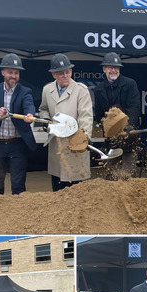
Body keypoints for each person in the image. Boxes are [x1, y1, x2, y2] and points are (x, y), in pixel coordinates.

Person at [38, 53, 93, 191]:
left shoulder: (81, 90)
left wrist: (84, 138)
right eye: (61, 73)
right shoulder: (47, 90)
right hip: (57, 144)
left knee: (76, 190)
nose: (65, 75)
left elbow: (86, 116)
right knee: (58, 188)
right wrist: (45, 120)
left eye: (68, 72)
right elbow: (43, 109)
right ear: (54, 75)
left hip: (75, 144)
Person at [0, 53, 37, 195]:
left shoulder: (25, 91)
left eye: (16, 73)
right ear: (3, 72)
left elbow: (29, 105)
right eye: (10, 72)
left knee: (18, 186)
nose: (13, 76)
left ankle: (18, 215)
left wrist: (30, 115)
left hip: (18, 145)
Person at [94, 52, 141, 178]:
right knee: (112, 174)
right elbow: (98, 114)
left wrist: (128, 126)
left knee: (128, 175)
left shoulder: (130, 84)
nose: (113, 70)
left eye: (116, 67)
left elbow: (134, 108)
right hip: (111, 140)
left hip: (129, 137)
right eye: (110, 67)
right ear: (104, 69)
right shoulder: (99, 89)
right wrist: (107, 129)